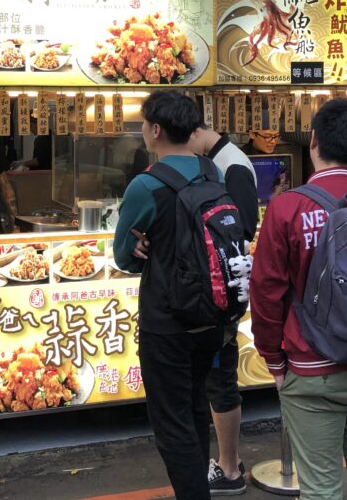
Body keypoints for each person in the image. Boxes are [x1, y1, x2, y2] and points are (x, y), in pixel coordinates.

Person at [251, 98, 347, 500]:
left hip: (312, 368)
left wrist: (273, 359)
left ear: (314, 139)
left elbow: (267, 290)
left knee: (321, 488)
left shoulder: (286, 208)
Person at [113, 91, 225, 500]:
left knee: (171, 422)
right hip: (211, 316)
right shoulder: (213, 172)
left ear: (156, 130)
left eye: (144, 124)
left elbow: (124, 256)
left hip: (167, 320)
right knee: (196, 407)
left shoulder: (146, 184)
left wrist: (142, 248)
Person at [190, 126, 257, 495]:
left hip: (224, 292)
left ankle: (229, 469)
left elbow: (246, 225)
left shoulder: (232, 165)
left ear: (200, 131)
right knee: (213, 380)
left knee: (221, 380)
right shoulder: (216, 161)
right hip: (217, 288)